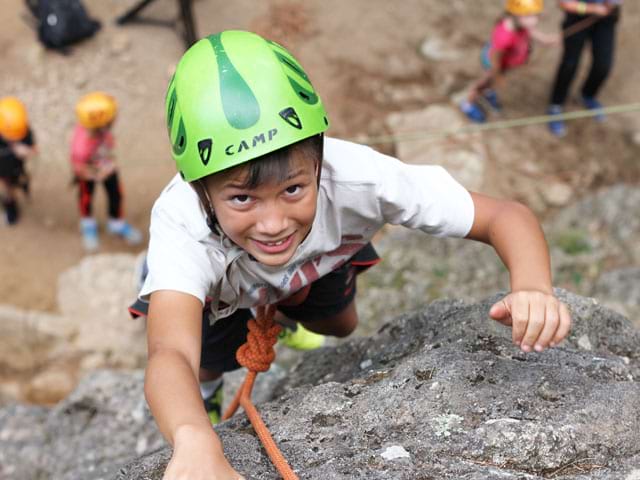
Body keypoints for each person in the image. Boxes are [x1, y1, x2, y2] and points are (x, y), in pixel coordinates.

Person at [140, 31, 572, 479]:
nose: (272, 223)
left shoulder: (359, 179)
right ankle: (210, 395)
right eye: (243, 199)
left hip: (316, 262)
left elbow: (503, 216)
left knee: (340, 326)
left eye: (293, 189)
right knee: (207, 363)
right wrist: (194, 438)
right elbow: (170, 351)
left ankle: (285, 315)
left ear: (319, 162)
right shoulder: (182, 223)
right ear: (199, 190)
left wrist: (533, 287)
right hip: (224, 291)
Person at [460, 0, 559, 123]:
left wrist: (546, 40)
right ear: (514, 14)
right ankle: (467, 104)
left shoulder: (522, 25)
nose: (534, 20)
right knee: (483, 84)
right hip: (494, 65)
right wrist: (496, 76)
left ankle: (488, 91)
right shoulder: (505, 35)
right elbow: (495, 58)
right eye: (528, 16)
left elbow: (531, 31)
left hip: (505, 64)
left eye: (535, 15)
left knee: (490, 85)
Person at [71, 91, 142, 251]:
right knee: (86, 198)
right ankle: (88, 225)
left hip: (104, 164)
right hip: (89, 172)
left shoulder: (97, 128)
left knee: (116, 194)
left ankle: (116, 223)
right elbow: (80, 170)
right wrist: (97, 174)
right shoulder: (81, 147)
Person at [547, 0, 621, 137]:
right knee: (570, 64)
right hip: (578, 16)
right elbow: (564, 3)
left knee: (603, 64)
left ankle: (587, 95)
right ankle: (556, 105)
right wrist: (590, 8)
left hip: (606, 18)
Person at [0, 97, 37, 226]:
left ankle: (11, 215)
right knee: (6, 190)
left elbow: (34, 150)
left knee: (10, 190)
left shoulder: (24, 130)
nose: (14, 138)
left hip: (13, 168)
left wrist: (26, 150)